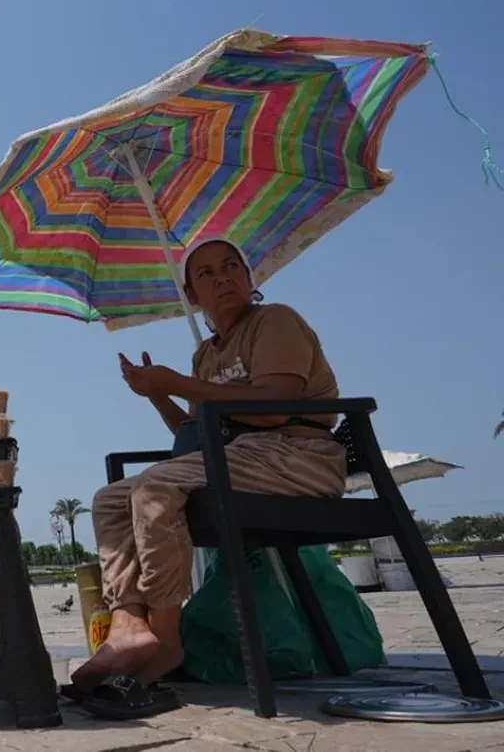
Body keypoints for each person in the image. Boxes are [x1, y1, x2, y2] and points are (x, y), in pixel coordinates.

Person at [68, 236, 347, 715]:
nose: (222, 278)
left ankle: (166, 640)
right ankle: (130, 624)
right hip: (236, 458)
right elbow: (194, 434)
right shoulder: (206, 357)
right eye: (207, 274)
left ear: (248, 277)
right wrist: (157, 394)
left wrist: (176, 382)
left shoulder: (275, 320)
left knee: (157, 486)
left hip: (296, 455)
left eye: (231, 267)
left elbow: (277, 408)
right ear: (192, 296)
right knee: (111, 498)